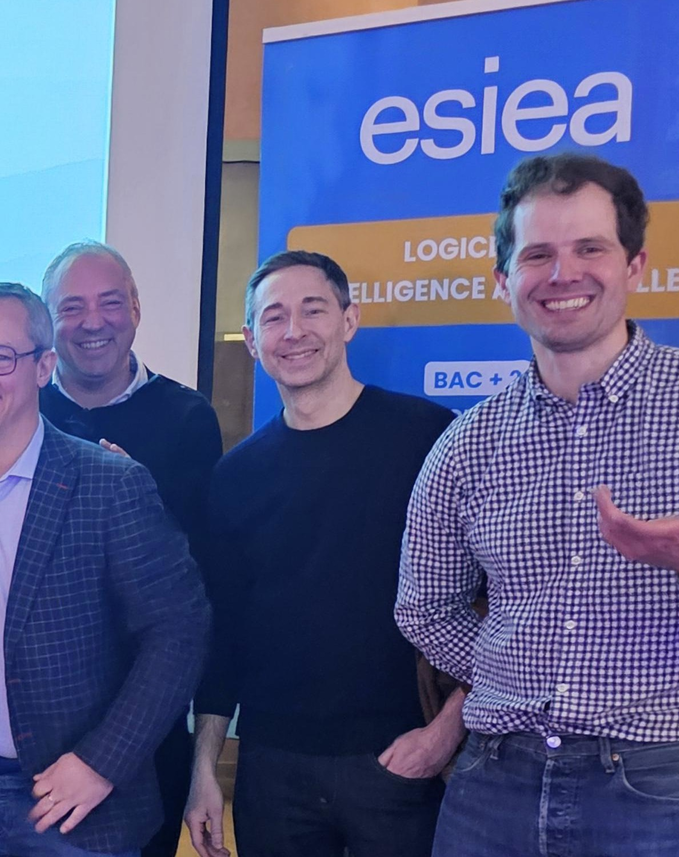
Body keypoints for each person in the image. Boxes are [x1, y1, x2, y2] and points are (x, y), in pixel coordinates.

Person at [397, 152, 679, 856]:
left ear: (636, 265)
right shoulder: (468, 442)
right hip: (493, 779)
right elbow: (424, 607)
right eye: (537, 254)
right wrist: (513, 665)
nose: (563, 273)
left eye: (590, 248)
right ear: (503, 281)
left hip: (660, 785)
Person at [0, 282, 209, 857]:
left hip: (72, 801)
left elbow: (178, 632)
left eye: (0, 356)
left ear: (43, 368)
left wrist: (102, 762)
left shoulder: (111, 485)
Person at [183, 252, 460, 857]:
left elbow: (493, 598)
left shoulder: (429, 437)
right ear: (252, 341)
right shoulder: (236, 476)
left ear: (349, 320)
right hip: (273, 771)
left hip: (401, 764)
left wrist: (445, 733)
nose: (294, 331)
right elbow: (224, 635)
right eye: (274, 317)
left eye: (313, 310)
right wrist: (204, 766)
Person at [34, 241, 221, 857]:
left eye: (110, 302)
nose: (93, 322)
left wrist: (129, 495)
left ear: (136, 309)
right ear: (47, 322)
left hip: (148, 711)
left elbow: (201, 578)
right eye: (72, 307)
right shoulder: (19, 409)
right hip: (36, 720)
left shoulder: (188, 418)